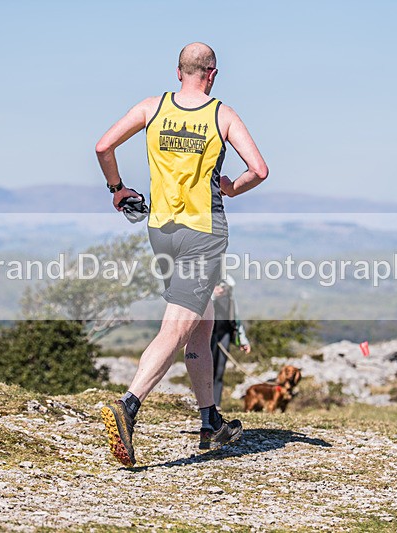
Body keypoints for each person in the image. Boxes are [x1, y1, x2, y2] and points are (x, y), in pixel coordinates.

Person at [94, 42, 268, 466]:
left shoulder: (152, 108)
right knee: (176, 326)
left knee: (200, 321)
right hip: (202, 233)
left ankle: (210, 420)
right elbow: (259, 170)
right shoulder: (220, 114)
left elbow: (102, 147)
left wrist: (118, 190)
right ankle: (128, 406)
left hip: (162, 231)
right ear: (212, 73)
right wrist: (231, 187)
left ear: (178, 72)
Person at [211, 274, 251, 409]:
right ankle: (201, 402)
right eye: (218, 286)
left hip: (224, 335)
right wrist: (213, 295)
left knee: (219, 370)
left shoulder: (230, 300)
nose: (221, 289)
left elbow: (236, 320)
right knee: (206, 369)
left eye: (223, 287)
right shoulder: (209, 299)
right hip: (208, 336)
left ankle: (216, 404)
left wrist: (242, 341)